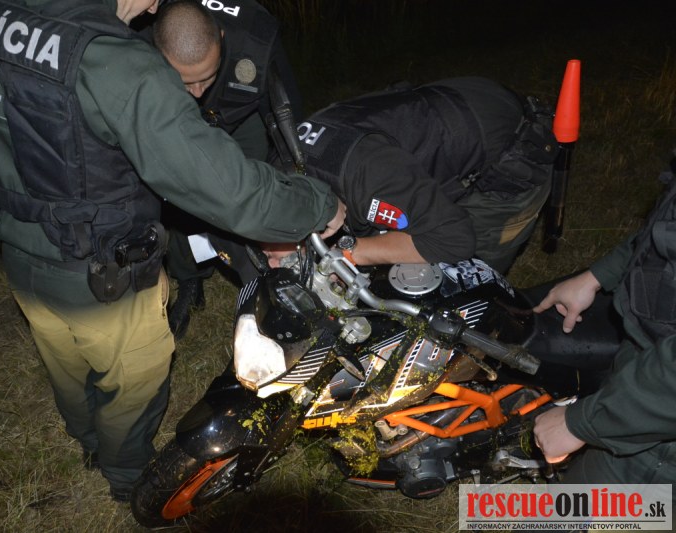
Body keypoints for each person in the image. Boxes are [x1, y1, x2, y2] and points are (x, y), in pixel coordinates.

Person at [0, 0, 344, 504]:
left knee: (64, 359)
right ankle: (128, 474)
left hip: (17, 242)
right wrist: (317, 204)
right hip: (101, 269)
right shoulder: (117, 63)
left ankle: (88, 440)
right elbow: (227, 189)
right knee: (137, 378)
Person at [266, 77, 559, 274]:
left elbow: (455, 241)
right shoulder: (277, 166)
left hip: (511, 148)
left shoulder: (366, 178)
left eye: (273, 255)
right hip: (447, 106)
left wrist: (347, 255)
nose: (273, 264)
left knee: (471, 275)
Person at [144, 0, 304, 338]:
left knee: (244, 191)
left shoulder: (256, 37)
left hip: (239, 112)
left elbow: (288, 117)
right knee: (178, 198)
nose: (198, 92)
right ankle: (190, 277)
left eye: (206, 77)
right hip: (176, 117)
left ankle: (258, 276)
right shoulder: (142, 36)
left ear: (220, 37)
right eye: (186, 82)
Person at [533, 163, 676, 490]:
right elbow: (665, 233)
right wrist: (599, 275)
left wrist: (582, 424)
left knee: (577, 510)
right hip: (649, 374)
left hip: (661, 445)